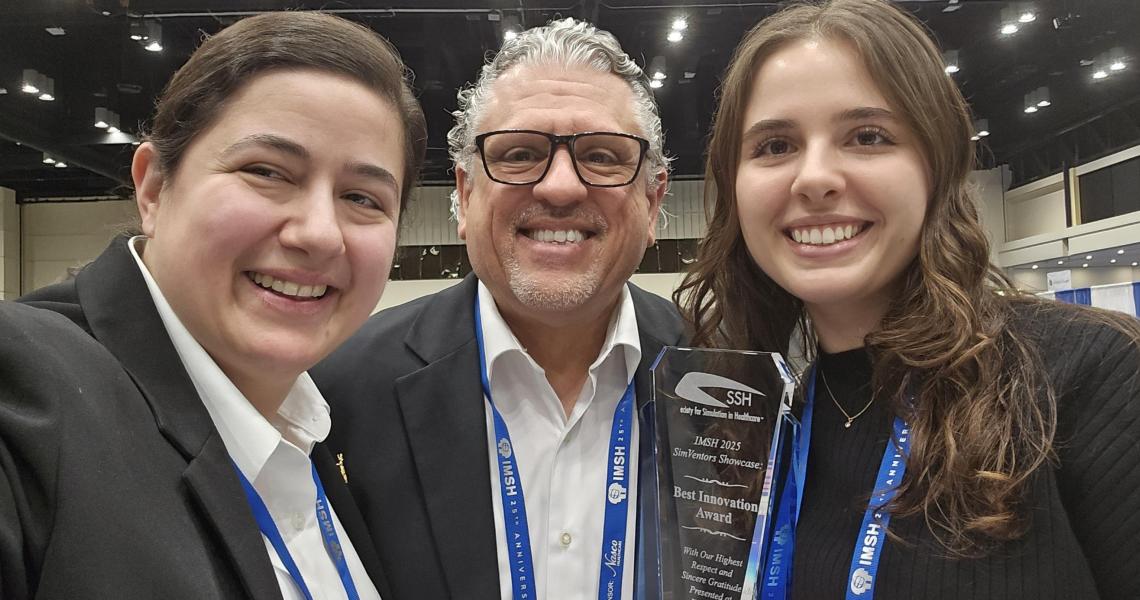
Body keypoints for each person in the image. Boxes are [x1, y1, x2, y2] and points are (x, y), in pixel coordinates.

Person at [676, 0, 1140, 598]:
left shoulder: (1089, 375)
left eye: (867, 137)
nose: (814, 178)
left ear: (935, 165)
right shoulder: (763, 428)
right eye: (774, 145)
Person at [4, 11, 426, 599]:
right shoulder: (25, 391)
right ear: (154, 188)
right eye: (267, 172)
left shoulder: (317, 437)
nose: (319, 233)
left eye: (362, 197)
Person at [312, 17, 683, 600]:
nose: (560, 187)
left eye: (603, 156)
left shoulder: (732, 375)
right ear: (464, 195)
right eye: (519, 153)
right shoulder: (339, 395)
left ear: (653, 199)